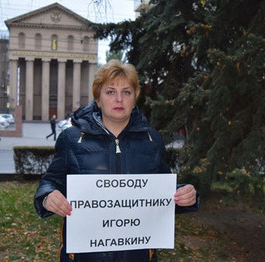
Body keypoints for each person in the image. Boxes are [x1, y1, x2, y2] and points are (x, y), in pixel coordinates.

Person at [34, 60, 199, 261]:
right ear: (98, 98)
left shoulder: (152, 140)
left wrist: (185, 196)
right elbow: (50, 181)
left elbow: (163, 193)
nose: (119, 99)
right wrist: (48, 196)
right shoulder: (71, 139)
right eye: (110, 92)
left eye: (127, 92)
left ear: (135, 97)